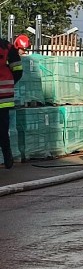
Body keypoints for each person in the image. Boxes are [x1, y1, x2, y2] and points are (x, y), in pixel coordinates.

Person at [0, 36, 23, 169]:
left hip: (4, 97)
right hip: (5, 97)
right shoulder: (8, 48)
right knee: (3, 130)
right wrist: (9, 83)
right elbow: (18, 71)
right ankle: (8, 157)